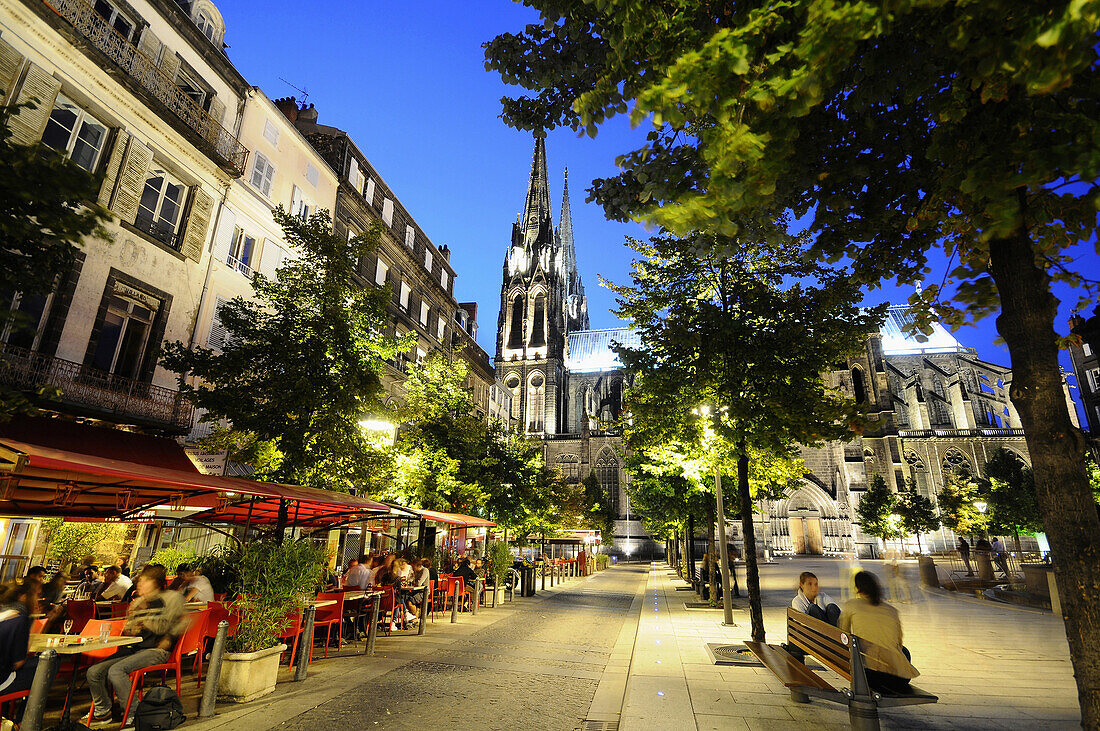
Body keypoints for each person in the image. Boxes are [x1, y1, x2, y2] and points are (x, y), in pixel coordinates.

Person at [87, 565, 187, 728]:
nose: (139, 585)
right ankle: (103, 710)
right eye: (139, 582)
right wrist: (132, 626)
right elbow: (131, 632)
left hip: (156, 650)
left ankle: (133, 712)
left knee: (116, 671)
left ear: (154, 583)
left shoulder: (166, 601)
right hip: (135, 648)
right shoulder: (139, 603)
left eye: (143, 582)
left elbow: (169, 626)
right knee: (94, 672)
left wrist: (147, 622)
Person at [839, 571, 919, 694]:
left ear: (858, 588)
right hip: (899, 679)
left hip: (869, 675)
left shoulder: (851, 606)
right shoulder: (892, 611)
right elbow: (899, 642)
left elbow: (843, 635)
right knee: (904, 651)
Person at [0, 578, 58, 725]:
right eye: (37, 595)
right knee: (49, 663)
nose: (39, 600)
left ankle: (7, 717)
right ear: (24, 596)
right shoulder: (20, 618)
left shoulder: (3, 610)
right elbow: (18, 662)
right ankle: (24, 722)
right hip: (1, 682)